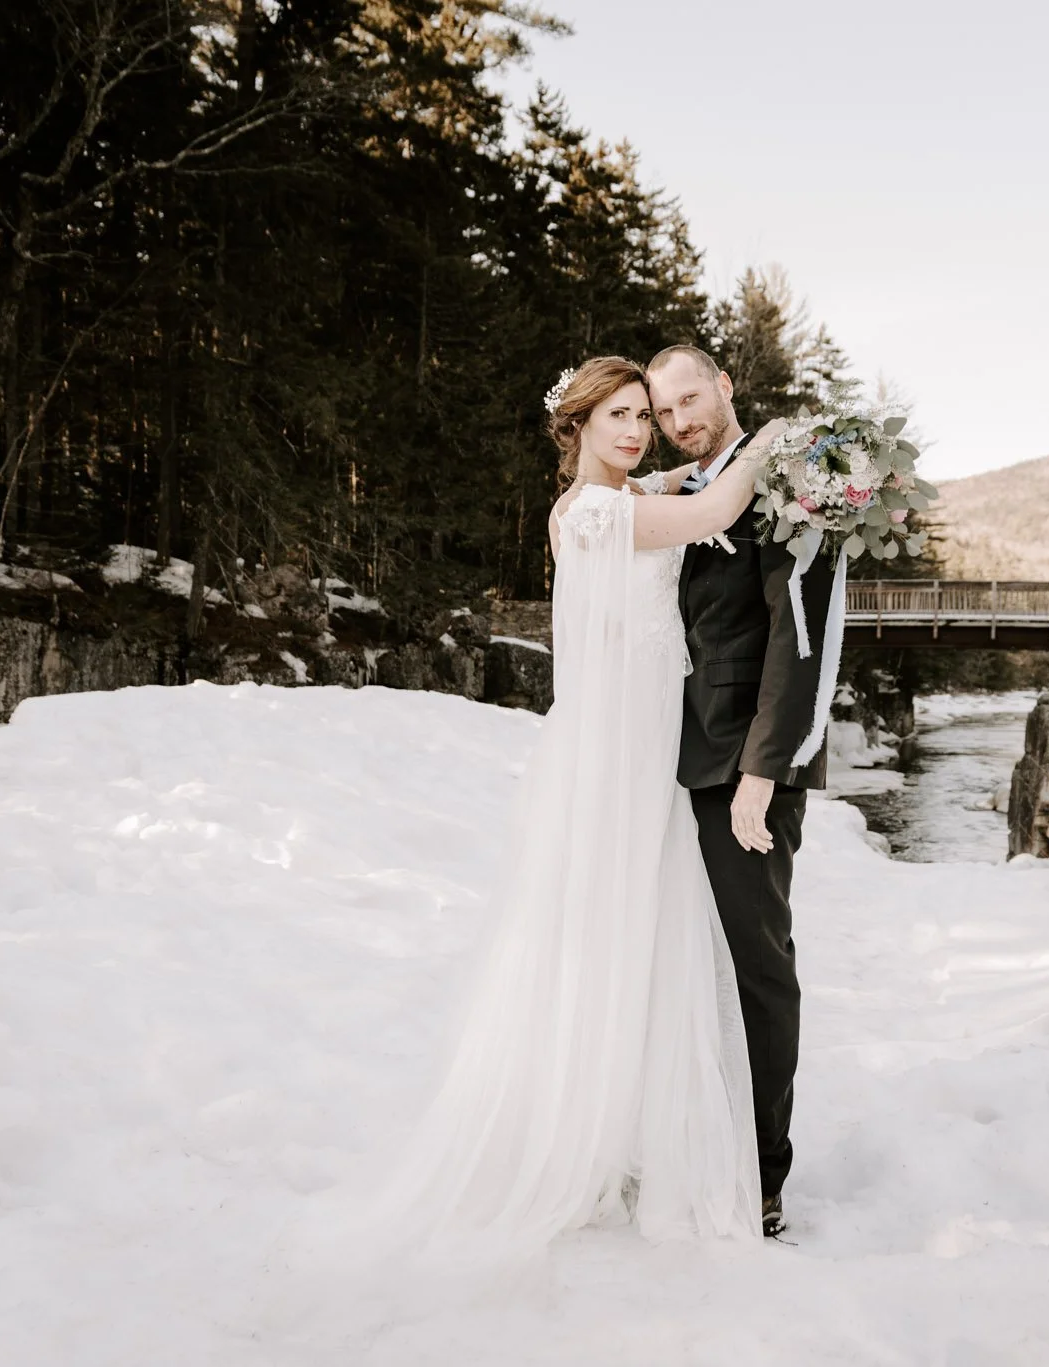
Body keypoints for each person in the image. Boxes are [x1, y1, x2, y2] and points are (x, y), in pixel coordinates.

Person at [355, 356, 789, 1254]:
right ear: (578, 430)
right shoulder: (594, 513)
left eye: (645, 415)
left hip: (646, 749)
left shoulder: (618, 500)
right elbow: (707, 511)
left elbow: (675, 485)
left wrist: (688, 465)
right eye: (618, 418)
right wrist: (779, 446)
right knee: (605, 938)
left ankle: (629, 1132)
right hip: (617, 754)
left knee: (644, 940)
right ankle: (582, 1141)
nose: (637, 431)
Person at [644, 344, 833, 1240]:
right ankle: (687, 1144)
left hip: (738, 770)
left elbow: (799, 636)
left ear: (725, 385)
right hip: (662, 758)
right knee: (682, 967)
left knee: (757, 968)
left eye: (691, 397)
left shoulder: (790, 479)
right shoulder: (683, 491)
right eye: (664, 409)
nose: (681, 418)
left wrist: (767, 769)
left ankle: (760, 1173)